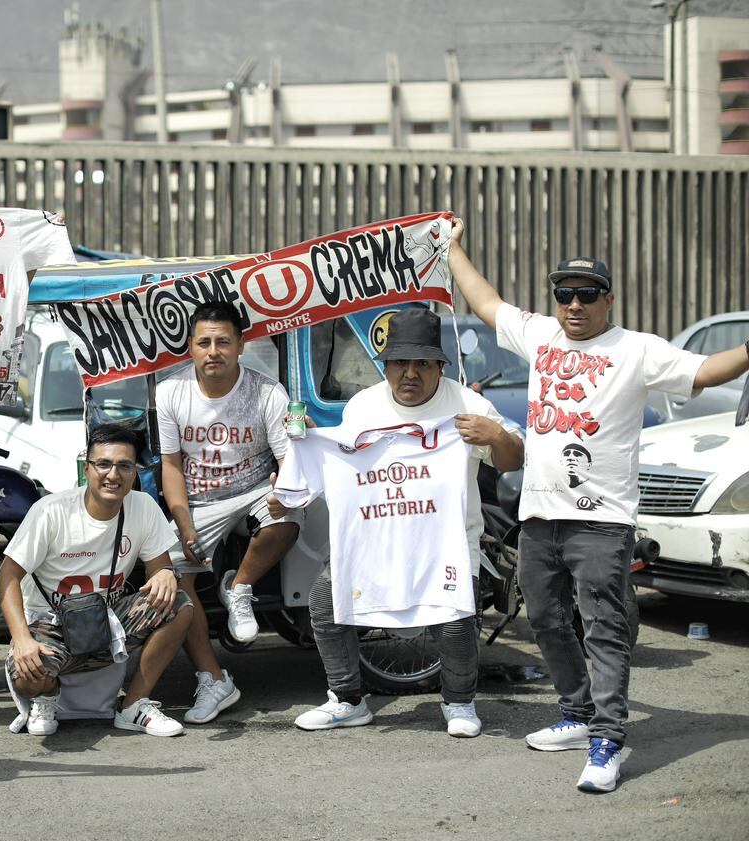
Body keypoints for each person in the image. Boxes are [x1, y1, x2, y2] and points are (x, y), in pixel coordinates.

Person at [448, 216, 749, 792]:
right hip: (539, 515)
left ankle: (609, 737)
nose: (575, 305)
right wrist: (454, 247)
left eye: (587, 294)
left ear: (608, 299)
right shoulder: (540, 336)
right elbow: (486, 301)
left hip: (602, 521)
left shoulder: (636, 350)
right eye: (565, 294)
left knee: (604, 628)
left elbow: (707, 372)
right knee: (543, 619)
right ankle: (577, 714)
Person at [284, 308, 523, 737]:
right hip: (375, 537)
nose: (410, 374)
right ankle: (347, 699)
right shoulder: (364, 405)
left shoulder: (469, 404)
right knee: (325, 603)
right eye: (400, 363)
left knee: (454, 619)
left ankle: (460, 702)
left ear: (440, 366)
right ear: (386, 365)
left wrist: (498, 437)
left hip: (446, 540)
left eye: (423, 364)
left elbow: (512, 461)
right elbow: (343, 464)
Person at [157, 300, 304, 724]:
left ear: (241, 345)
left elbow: (289, 459)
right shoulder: (170, 392)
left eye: (223, 341)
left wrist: (284, 489)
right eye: (204, 342)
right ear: (191, 348)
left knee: (290, 516)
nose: (213, 351)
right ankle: (214, 678)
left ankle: (238, 588)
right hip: (201, 501)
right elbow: (171, 467)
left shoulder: (268, 392)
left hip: (254, 491)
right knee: (171, 577)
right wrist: (183, 525)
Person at [0, 424, 193, 737]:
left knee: (179, 605)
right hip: (51, 631)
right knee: (29, 676)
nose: (113, 475)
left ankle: (133, 707)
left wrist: (167, 575)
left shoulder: (142, 507)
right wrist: (22, 640)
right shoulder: (51, 512)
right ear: (86, 468)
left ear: (135, 472)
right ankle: (46, 697)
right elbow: (7, 575)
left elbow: (161, 567)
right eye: (103, 464)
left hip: (107, 626)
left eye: (124, 466)